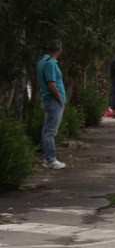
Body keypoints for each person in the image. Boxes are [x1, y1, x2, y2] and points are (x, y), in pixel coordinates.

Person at [37, 40, 67, 169]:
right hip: (53, 100)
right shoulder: (50, 64)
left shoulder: (42, 61)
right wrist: (60, 98)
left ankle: (46, 158)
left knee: (47, 130)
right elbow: (51, 83)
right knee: (50, 131)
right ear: (59, 50)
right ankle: (51, 160)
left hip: (48, 100)